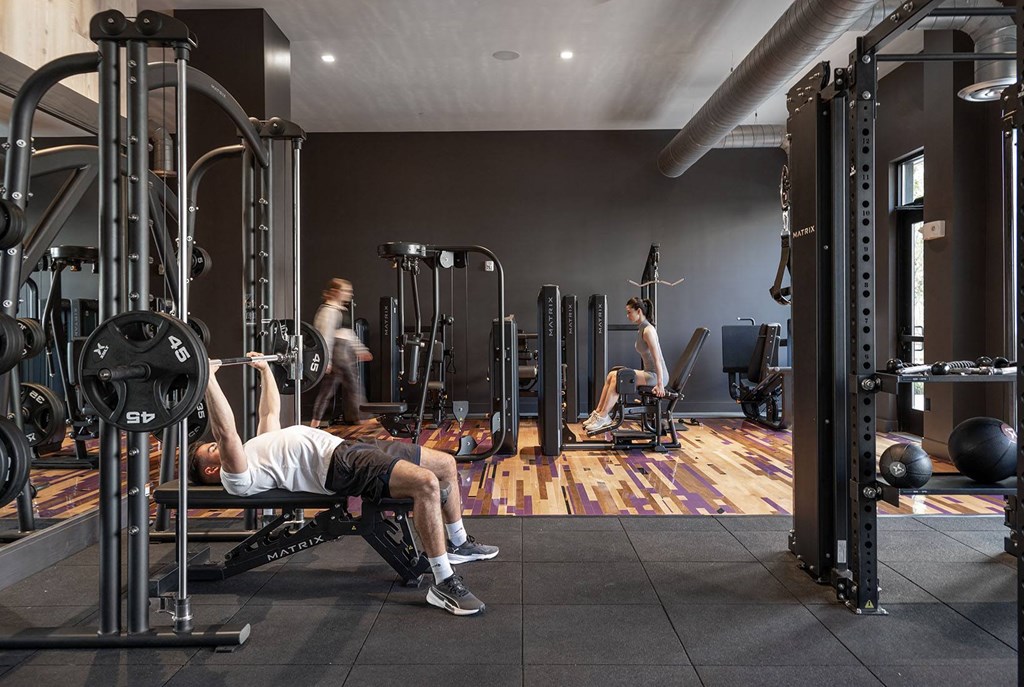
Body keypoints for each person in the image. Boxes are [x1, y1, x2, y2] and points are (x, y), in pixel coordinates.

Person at [189, 353, 498, 616]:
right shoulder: (237, 476)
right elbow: (225, 431)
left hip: (352, 448)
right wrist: (208, 380)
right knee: (427, 484)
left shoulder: (255, 447)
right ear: (215, 468)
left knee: (445, 464)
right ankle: (443, 582)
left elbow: (270, 412)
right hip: (341, 466)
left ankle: (458, 543)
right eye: (212, 450)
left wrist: (266, 371)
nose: (219, 446)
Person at [582, 297, 667, 433]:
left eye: (629, 312)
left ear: (638, 311)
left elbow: (657, 359)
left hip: (655, 375)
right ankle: (598, 413)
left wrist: (660, 384)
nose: (627, 316)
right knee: (612, 374)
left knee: (618, 377)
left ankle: (604, 417)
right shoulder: (642, 328)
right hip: (649, 373)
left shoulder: (648, 331)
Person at [310, 278, 372, 428]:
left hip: (343, 351)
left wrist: (360, 349)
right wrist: (327, 360)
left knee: (328, 389)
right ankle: (361, 418)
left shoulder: (339, 310)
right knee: (353, 385)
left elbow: (347, 333)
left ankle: (315, 423)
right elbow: (325, 336)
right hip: (339, 353)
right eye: (346, 291)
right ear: (336, 292)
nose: (349, 294)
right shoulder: (328, 311)